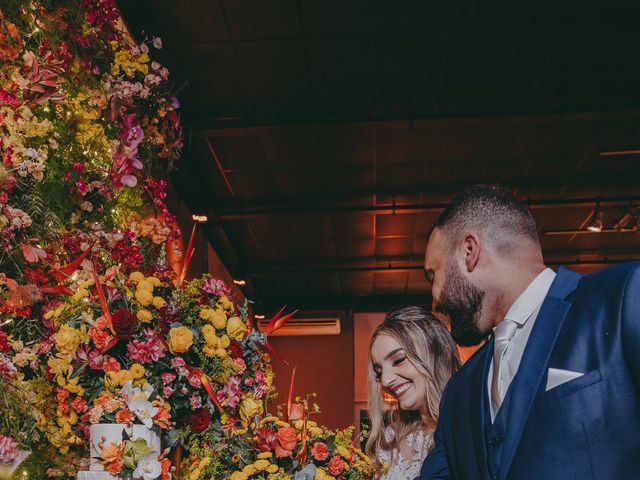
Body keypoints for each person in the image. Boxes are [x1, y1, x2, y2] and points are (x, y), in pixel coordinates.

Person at [417, 183, 640, 480]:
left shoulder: (623, 297)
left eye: (433, 275)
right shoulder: (460, 390)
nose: (435, 299)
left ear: (469, 251)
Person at [367, 305, 460, 480]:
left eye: (398, 360)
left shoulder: (465, 427)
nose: (385, 381)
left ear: (436, 352)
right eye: (379, 372)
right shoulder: (390, 438)